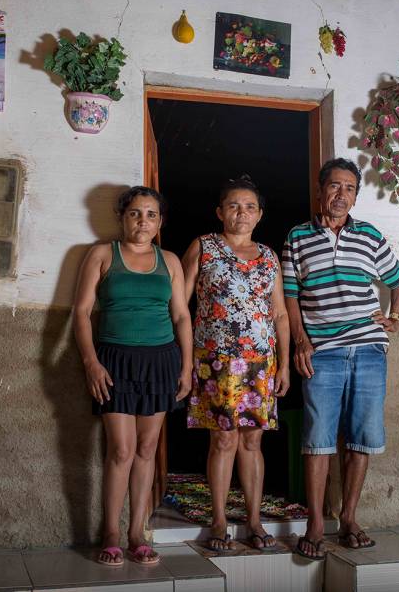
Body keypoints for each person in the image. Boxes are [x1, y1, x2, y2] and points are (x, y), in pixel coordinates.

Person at [282, 158, 399, 560]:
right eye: (334, 186)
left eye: (350, 188)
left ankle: (350, 518)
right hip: (324, 351)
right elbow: (289, 295)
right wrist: (301, 341)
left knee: (362, 435)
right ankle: (316, 524)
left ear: (356, 195)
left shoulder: (369, 235)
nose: (341, 195)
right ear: (320, 191)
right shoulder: (297, 237)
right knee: (318, 437)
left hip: (369, 348)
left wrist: (394, 318)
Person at [74, 186, 193, 566]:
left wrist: (186, 366)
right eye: (136, 213)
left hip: (161, 361)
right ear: (123, 217)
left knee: (146, 449)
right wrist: (91, 362)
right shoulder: (101, 255)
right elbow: (81, 313)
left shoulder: (170, 260)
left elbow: (181, 316)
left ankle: (136, 533)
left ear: (160, 221)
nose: (144, 221)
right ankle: (110, 532)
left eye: (152, 214)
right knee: (121, 449)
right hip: (115, 360)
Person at [181, 176, 291, 552]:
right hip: (216, 362)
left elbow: (279, 315)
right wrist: (182, 360)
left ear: (259, 215)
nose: (241, 213)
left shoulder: (269, 256)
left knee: (253, 440)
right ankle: (219, 520)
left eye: (249, 207)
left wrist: (285, 365)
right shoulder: (204, 247)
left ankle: (255, 521)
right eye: (233, 206)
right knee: (223, 439)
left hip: (260, 362)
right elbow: (178, 306)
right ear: (219, 212)